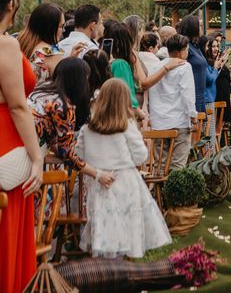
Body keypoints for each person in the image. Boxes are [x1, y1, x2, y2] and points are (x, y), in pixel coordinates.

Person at [76, 78, 171, 258]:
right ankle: (127, 256)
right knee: (128, 220)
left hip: (99, 182)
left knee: (105, 222)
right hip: (126, 182)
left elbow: (79, 155)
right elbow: (140, 156)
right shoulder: (126, 126)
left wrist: (97, 170)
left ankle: (106, 257)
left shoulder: (87, 129)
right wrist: (146, 147)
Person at [0, 0, 42, 293]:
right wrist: (37, 158)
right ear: (12, 4)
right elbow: (17, 105)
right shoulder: (6, 44)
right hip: (7, 145)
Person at [28, 57, 115, 185]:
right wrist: (98, 174)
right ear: (78, 81)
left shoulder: (42, 89)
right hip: (27, 156)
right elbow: (68, 154)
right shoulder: (63, 106)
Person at [148, 34, 197, 169]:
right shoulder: (185, 66)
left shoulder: (154, 67)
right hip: (179, 121)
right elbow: (187, 95)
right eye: (187, 49)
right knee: (177, 165)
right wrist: (193, 117)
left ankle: (159, 190)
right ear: (181, 52)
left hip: (159, 122)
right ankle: (174, 191)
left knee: (160, 166)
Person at [18, 2, 84, 85]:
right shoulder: (52, 52)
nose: (63, 31)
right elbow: (63, 84)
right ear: (49, 28)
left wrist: (68, 59)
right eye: (61, 26)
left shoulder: (21, 42)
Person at [179, 15, 208, 113]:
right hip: (191, 95)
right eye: (199, 26)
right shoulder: (186, 48)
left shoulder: (196, 47)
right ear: (193, 29)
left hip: (200, 95)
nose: (201, 28)